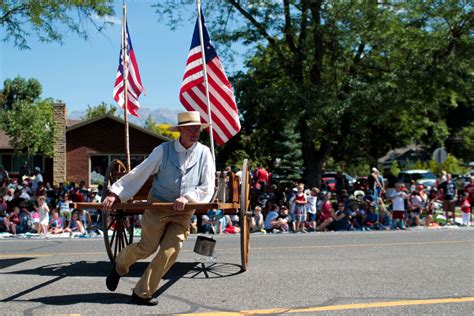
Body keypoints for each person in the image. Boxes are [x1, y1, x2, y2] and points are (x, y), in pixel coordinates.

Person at [102, 111, 215, 306]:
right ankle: (120, 264)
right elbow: (141, 171)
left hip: (184, 212)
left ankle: (142, 292)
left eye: (198, 128)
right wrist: (116, 193)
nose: (195, 132)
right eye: (191, 128)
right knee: (147, 248)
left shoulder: (204, 153)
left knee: (170, 251)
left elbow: (207, 185)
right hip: (158, 207)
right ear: (180, 130)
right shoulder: (163, 150)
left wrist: (188, 197)